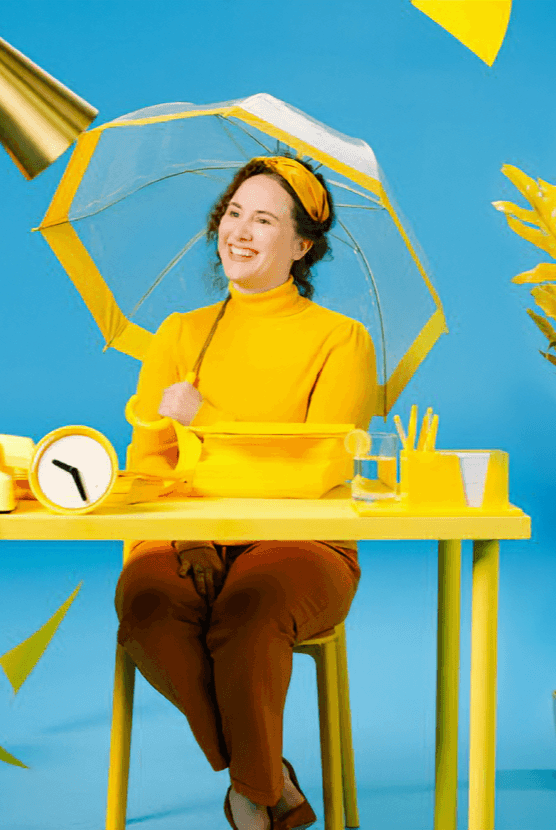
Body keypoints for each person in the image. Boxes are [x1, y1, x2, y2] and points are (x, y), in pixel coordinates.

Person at [114, 154, 378, 830]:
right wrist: (185, 531)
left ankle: (250, 798)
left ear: (301, 245)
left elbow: (315, 473)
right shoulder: (179, 335)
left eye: (263, 219)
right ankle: (267, 779)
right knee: (146, 605)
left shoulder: (340, 342)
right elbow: (146, 467)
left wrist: (209, 424)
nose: (240, 231)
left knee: (250, 608)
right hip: (186, 533)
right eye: (233, 213)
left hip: (303, 543)